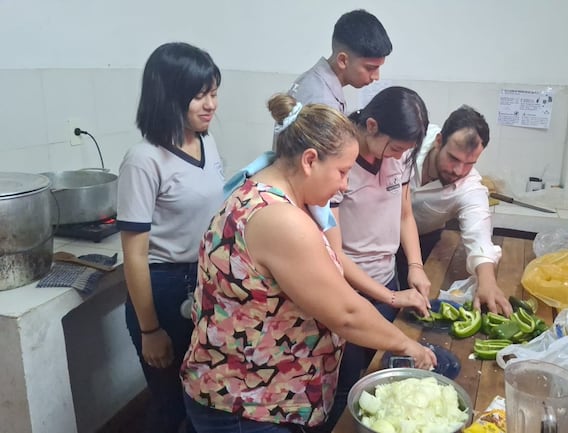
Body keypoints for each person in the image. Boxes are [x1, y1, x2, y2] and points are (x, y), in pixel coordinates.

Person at [180, 94, 436, 433]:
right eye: (343, 172)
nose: (345, 184)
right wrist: (406, 344)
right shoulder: (280, 219)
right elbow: (345, 313)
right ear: (309, 160)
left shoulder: (265, 192)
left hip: (259, 395)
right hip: (248, 405)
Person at [116, 42, 224, 433]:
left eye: (213, 93)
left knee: (201, 395)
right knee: (169, 405)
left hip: (202, 281)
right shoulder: (143, 160)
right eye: (199, 95)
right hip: (162, 289)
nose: (210, 104)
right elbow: (134, 254)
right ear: (169, 96)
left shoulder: (205, 142)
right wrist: (150, 329)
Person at [320, 86, 432, 430]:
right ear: (371, 125)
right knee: (347, 389)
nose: (399, 156)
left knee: (382, 379)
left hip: (389, 283)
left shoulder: (398, 159)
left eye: (406, 151)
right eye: (395, 147)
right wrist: (393, 297)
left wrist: (415, 266)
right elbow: (334, 254)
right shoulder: (340, 166)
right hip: (352, 294)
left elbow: (404, 215)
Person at [397, 105, 513, 316]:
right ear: (438, 140)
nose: (459, 171)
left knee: (414, 307)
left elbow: (479, 235)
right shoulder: (408, 143)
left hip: (423, 241)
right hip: (375, 238)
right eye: (453, 158)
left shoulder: (469, 186)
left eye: (469, 163)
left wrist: (487, 282)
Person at [288, 9, 392, 113]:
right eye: (370, 68)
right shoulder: (323, 102)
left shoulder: (311, 80)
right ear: (343, 60)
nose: (376, 77)